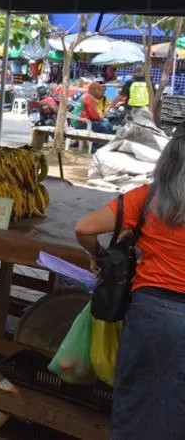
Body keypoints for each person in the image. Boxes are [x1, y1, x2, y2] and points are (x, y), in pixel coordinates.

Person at [74, 126, 185, 439]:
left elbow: (84, 228)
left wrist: (97, 255)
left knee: (136, 402)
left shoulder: (147, 198)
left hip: (152, 314)